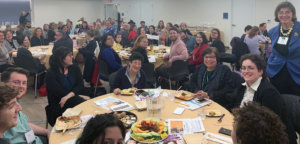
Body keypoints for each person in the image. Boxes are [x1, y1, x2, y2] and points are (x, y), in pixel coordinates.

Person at [228, 54, 297, 144]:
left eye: (250, 68)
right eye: (243, 68)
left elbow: (268, 127)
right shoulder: (243, 87)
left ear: (260, 71)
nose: (246, 71)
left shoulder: (269, 93)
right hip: (246, 133)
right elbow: (234, 107)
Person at [2, 67, 50, 144]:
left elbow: (24, 125)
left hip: (34, 140)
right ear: (4, 83)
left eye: (24, 83)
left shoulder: (17, 103)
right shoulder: (3, 110)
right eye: (16, 82)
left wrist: (47, 132)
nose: (21, 86)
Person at [46, 47, 91, 126]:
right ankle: (89, 122)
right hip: (59, 105)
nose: (72, 57)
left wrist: (70, 95)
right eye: (69, 55)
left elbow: (80, 85)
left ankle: (91, 121)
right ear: (61, 58)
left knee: (96, 93)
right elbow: (59, 93)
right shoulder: (51, 74)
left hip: (73, 99)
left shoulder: (74, 68)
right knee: (79, 100)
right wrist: (78, 96)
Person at [267, 1, 300, 96]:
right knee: (278, 98)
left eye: (287, 12)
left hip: (296, 71)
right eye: (281, 12)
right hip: (277, 71)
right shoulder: (272, 31)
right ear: (277, 15)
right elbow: (271, 51)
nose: (284, 15)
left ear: (293, 14)